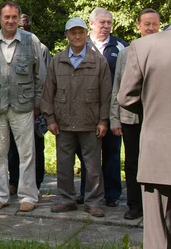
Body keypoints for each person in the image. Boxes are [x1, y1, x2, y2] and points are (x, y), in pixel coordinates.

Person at [41, 17, 111, 218]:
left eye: (81, 32)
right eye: (73, 32)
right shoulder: (57, 60)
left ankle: (94, 201)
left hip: (90, 123)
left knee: (93, 165)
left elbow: (107, 94)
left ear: (86, 34)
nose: (77, 36)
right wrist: (50, 119)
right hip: (63, 123)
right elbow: (48, 92)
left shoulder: (99, 61)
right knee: (64, 164)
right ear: (66, 35)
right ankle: (66, 199)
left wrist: (103, 120)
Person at [0, 1, 42, 212]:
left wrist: (37, 104)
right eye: (6, 17)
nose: (10, 21)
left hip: (23, 105)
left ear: (19, 18)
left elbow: (39, 75)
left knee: (27, 153)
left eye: (14, 17)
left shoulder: (30, 40)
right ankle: (1, 195)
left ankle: (28, 197)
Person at [118, 26, 171, 249]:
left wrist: (153, 110)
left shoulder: (144, 46)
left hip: (158, 152)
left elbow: (126, 97)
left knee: (157, 235)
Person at [110, 8, 160, 220]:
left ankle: (156, 207)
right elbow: (118, 86)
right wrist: (115, 117)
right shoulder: (126, 53)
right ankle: (135, 205)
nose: (150, 28)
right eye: (146, 24)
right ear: (138, 25)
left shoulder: (165, 51)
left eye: (154, 24)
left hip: (158, 119)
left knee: (158, 162)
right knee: (132, 162)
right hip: (131, 118)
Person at [77, 7, 127, 207]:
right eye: (102, 23)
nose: (106, 26)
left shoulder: (121, 46)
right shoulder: (80, 45)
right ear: (91, 24)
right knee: (86, 153)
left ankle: (112, 194)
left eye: (109, 23)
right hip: (85, 109)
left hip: (113, 108)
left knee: (112, 151)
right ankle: (87, 191)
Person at [8, 14, 51, 195]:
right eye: (19, 28)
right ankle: (14, 181)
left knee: (35, 148)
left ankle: (36, 183)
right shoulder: (5, 47)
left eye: (25, 28)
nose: (21, 31)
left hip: (33, 107)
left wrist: (38, 106)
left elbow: (44, 79)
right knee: (12, 147)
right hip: (11, 106)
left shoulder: (40, 48)